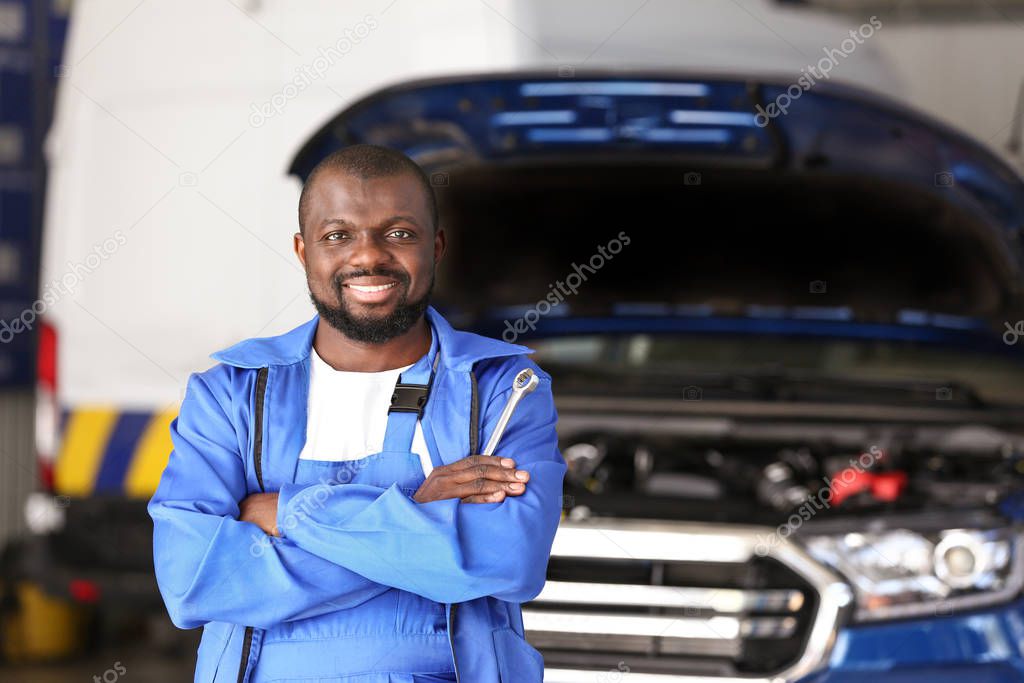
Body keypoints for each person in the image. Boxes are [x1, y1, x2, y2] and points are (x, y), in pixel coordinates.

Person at [148, 144, 566, 683]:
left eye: (398, 233)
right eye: (337, 235)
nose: (368, 257)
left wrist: (290, 514)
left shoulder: (504, 388)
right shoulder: (230, 394)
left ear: (435, 247)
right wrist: (418, 508)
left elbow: (508, 562)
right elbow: (193, 583)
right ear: (304, 251)